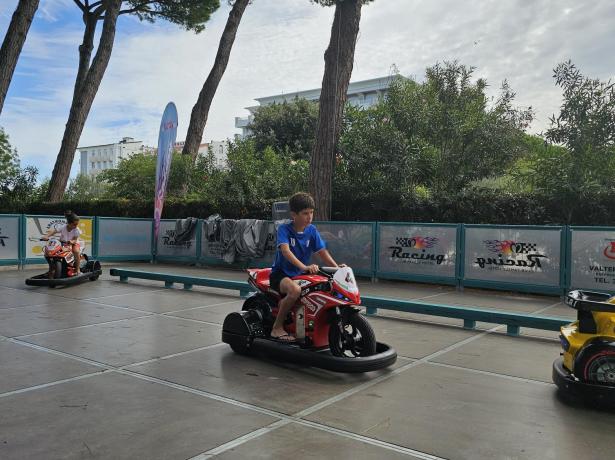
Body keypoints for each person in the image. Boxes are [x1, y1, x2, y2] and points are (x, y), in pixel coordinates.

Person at [269, 192, 343, 342]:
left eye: (311, 212)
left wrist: (337, 269)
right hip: (281, 275)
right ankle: (276, 328)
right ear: (293, 215)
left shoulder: (312, 230)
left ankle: (308, 327)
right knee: (295, 290)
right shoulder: (284, 230)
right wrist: (305, 267)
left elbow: (322, 252)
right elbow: (285, 251)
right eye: (305, 213)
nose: (309, 217)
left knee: (321, 287)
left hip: (300, 275)